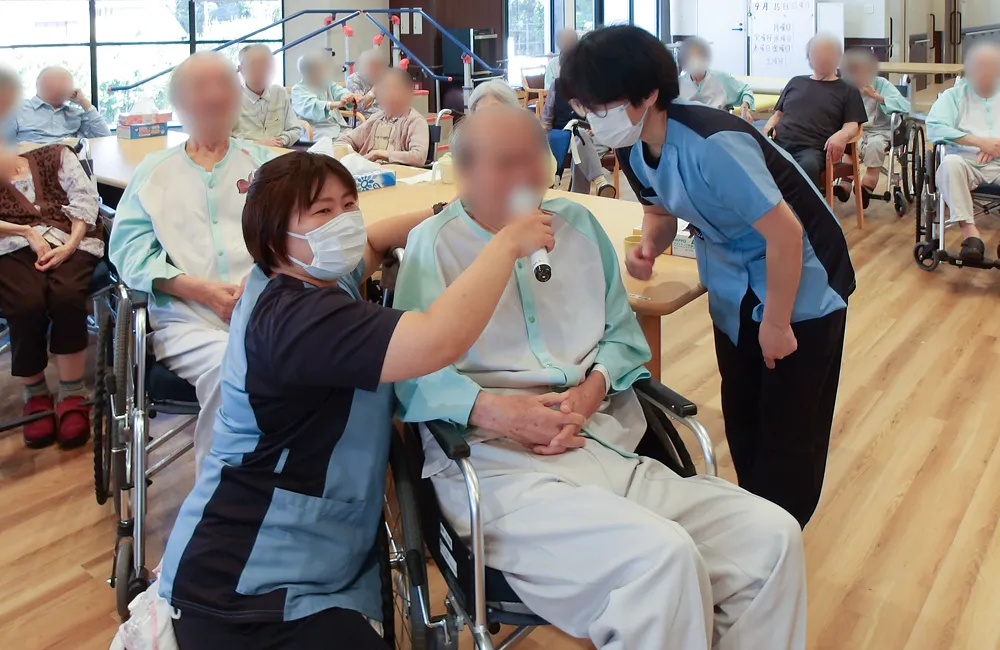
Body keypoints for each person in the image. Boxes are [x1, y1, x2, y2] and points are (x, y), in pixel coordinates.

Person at [394, 105, 807, 650]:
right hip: (499, 471)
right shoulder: (433, 244)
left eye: (533, 158)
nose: (525, 176)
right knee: (662, 562)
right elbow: (411, 375)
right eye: (505, 164)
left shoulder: (578, 226)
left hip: (602, 445)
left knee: (773, 537)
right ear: (465, 172)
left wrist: (590, 394)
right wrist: (501, 413)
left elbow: (622, 337)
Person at [157, 150, 554, 650]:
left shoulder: (302, 278)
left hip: (302, 561)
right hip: (242, 586)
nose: (343, 221)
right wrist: (507, 243)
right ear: (274, 237)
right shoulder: (299, 321)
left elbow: (371, 240)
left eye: (348, 204)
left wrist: (457, 212)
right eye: (322, 212)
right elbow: (438, 339)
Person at [560, 25, 855, 528]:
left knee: (789, 432)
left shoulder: (713, 143)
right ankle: (753, 523)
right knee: (743, 415)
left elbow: (786, 235)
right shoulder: (633, 145)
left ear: (646, 96)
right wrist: (649, 247)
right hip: (733, 281)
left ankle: (776, 536)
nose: (592, 118)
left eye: (600, 106)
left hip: (800, 282)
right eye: (584, 107)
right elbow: (658, 210)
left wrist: (778, 322)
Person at [109, 52, 278, 473]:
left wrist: (261, 281)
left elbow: (295, 239)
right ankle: (222, 496)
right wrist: (199, 290)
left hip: (266, 312)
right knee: (233, 369)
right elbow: (128, 251)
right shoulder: (154, 172)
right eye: (201, 87)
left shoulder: (265, 164)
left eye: (224, 85)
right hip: (185, 320)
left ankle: (295, 489)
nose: (215, 96)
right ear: (179, 102)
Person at [0, 142, 100, 449]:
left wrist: (69, 246)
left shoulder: (55, 155)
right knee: (25, 302)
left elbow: (85, 199)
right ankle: (36, 395)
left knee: (67, 295)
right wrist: (27, 232)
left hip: (72, 241)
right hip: (10, 247)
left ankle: (72, 393)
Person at [764, 33, 868, 194]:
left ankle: (801, 210)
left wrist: (842, 135)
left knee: (807, 168)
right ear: (809, 56)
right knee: (750, 161)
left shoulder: (847, 88)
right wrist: (769, 126)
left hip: (812, 149)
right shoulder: (796, 81)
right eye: (817, 53)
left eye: (828, 53)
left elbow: (852, 125)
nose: (822, 57)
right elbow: (778, 115)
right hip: (779, 143)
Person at [926, 41, 1000, 261]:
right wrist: (980, 142)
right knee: (949, 165)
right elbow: (935, 127)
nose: (985, 72)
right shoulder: (953, 96)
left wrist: (996, 146)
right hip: (966, 162)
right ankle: (971, 235)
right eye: (979, 67)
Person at [841, 48, 910, 207]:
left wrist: (876, 96)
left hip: (881, 130)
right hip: (855, 130)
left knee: (875, 145)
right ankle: (845, 183)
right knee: (850, 146)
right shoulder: (845, 86)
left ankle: (868, 184)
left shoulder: (881, 84)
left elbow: (905, 106)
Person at [337, 69, 428, 166]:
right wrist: (355, 157)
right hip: (368, 171)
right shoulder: (376, 118)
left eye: (394, 89)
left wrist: (379, 154)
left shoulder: (415, 121)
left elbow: (419, 157)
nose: (388, 94)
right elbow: (343, 141)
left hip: (396, 172)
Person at [542, 81, 617, 197]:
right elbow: (546, 121)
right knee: (580, 137)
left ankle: (578, 196)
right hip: (565, 139)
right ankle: (600, 182)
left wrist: (596, 128)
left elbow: (605, 118)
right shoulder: (557, 86)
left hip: (593, 139)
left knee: (580, 143)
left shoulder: (595, 84)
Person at [12, 66, 111, 145]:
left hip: (68, 159)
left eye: (64, 84)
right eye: (53, 83)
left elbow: (104, 136)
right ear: (39, 84)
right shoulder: (17, 108)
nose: (58, 88)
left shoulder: (75, 113)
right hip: (28, 158)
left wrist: (84, 102)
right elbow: (5, 145)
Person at [232, 44, 303, 147]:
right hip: (246, 153)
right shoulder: (231, 98)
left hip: (279, 152)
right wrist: (257, 144)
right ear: (242, 69)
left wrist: (280, 141)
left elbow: (295, 129)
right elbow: (223, 141)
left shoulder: (279, 93)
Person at [677, 37, 755, 121]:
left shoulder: (721, 78)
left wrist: (744, 106)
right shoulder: (679, 82)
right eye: (691, 57)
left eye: (698, 55)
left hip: (718, 125)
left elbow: (745, 89)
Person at [291, 52, 358, 140]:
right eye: (319, 69)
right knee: (341, 143)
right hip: (317, 131)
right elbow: (314, 106)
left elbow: (339, 91)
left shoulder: (326, 83)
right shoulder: (298, 90)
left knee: (361, 137)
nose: (323, 72)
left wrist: (350, 96)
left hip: (339, 128)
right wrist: (337, 104)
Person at [346, 48, 387, 119]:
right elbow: (359, 106)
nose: (376, 70)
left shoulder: (383, 77)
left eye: (378, 66)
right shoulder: (353, 80)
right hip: (365, 119)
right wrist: (375, 89)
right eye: (372, 66)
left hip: (387, 116)